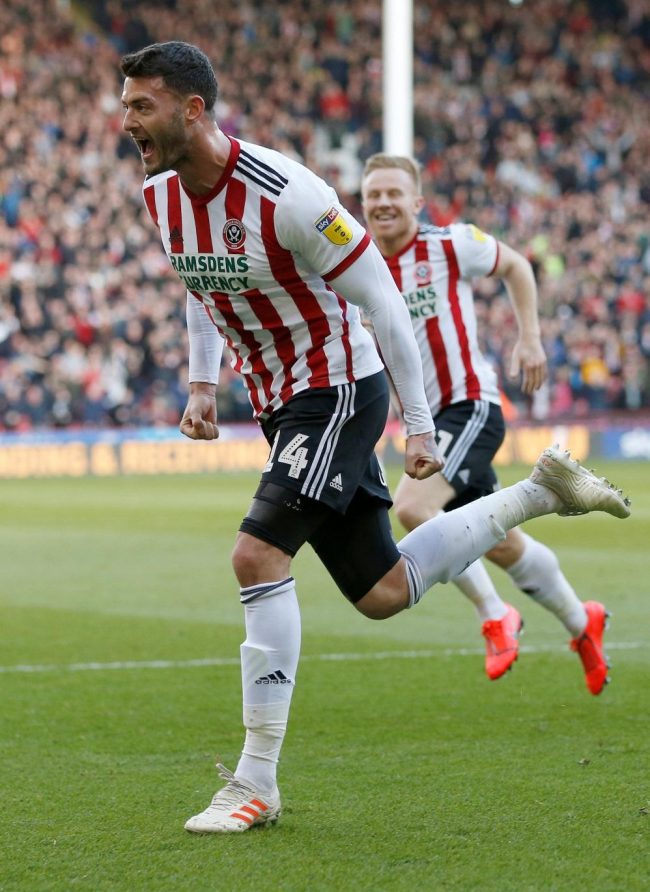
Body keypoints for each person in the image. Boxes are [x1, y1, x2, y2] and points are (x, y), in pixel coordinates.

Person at [119, 41, 630, 834]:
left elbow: (384, 301)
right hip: (280, 401)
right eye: (125, 105)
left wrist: (419, 427)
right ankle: (539, 492)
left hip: (336, 387)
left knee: (257, 555)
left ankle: (255, 781)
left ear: (193, 109)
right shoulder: (160, 196)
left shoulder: (290, 193)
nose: (126, 121)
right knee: (383, 592)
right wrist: (200, 383)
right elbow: (201, 283)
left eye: (141, 105)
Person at [360, 153, 618, 693]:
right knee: (496, 541)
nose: (383, 203)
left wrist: (530, 338)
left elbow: (517, 265)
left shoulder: (449, 244)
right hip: (425, 423)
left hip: (469, 404)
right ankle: (583, 623)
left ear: (417, 201)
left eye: (393, 193)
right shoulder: (359, 268)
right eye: (374, 194)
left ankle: (496, 614)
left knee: (413, 507)